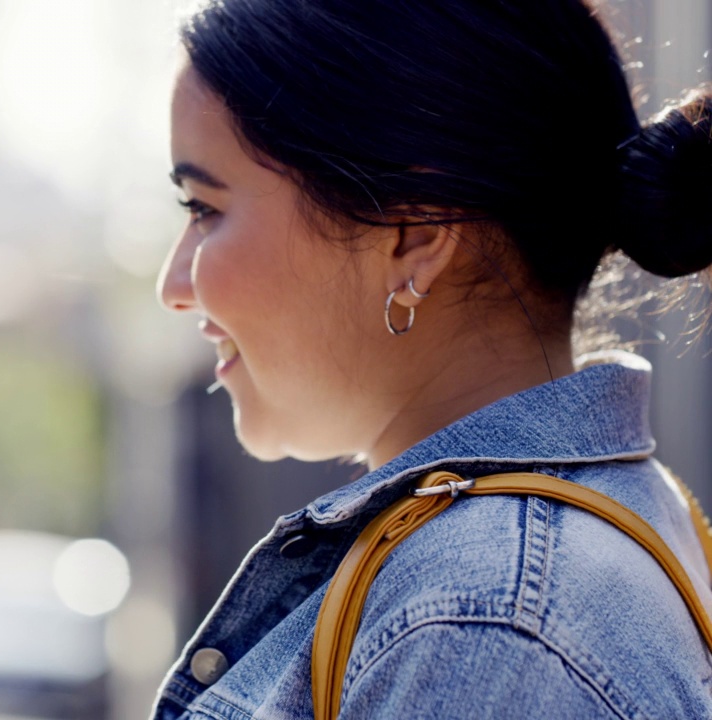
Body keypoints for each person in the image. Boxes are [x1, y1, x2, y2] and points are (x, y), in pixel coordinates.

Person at [154, 0, 712, 717]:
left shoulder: (486, 627)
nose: (173, 286)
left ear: (414, 235)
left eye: (205, 208)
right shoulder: (561, 553)